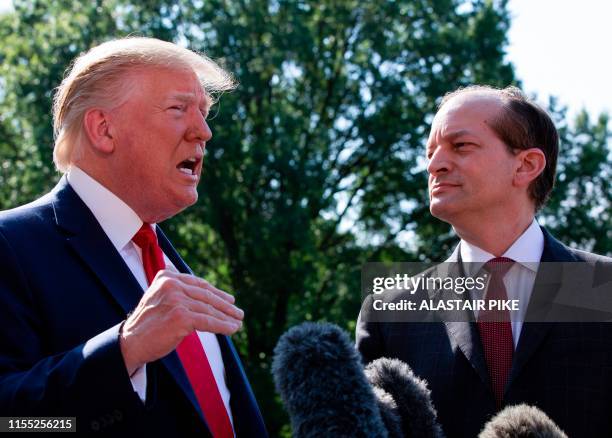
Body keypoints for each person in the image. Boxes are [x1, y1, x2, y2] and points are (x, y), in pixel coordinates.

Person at [0, 37, 267, 437]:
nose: (204, 132)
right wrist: (125, 349)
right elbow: (13, 425)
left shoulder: (168, 261)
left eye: (204, 112)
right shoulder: (11, 245)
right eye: (179, 108)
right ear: (104, 129)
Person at [357, 86, 612, 438]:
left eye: (460, 146)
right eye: (430, 153)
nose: (434, 165)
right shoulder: (389, 313)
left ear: (526, 165)